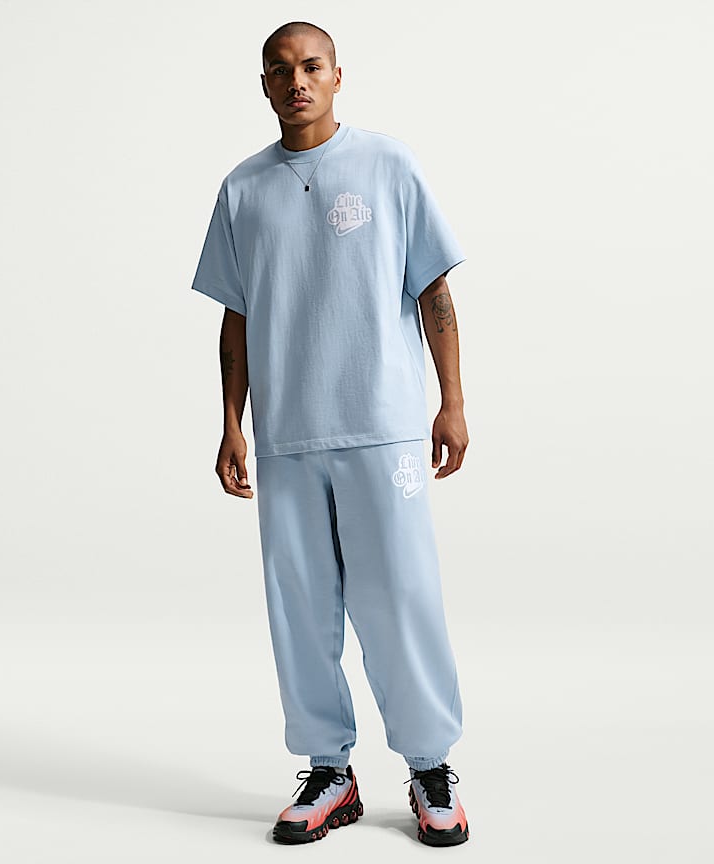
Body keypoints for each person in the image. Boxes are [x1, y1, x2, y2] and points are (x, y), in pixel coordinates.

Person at [189, 20, 471, 847]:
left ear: (338, 75)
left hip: (383, 426)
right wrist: (231, 424)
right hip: (287, 435)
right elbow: (236, 318)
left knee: (401, 599)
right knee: (300, 610)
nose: (297, 81)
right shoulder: (243, 190)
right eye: (280, 70)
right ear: (265, 85)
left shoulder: (388, 166)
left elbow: (434, 292)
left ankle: (430, 766)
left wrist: (452, 402)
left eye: (311, 66)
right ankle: (329, 772)